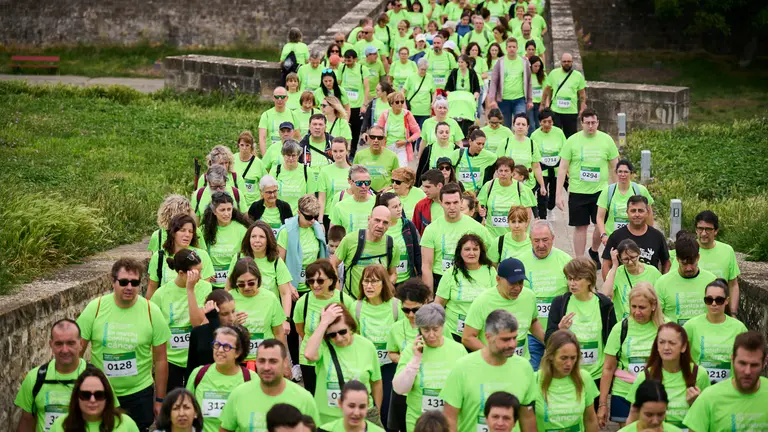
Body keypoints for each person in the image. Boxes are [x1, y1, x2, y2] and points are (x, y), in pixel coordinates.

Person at [77, 258, 170, 431]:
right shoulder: (95, 308)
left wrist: (160, 400)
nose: (129, 287)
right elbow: (77, 354)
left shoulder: (152, 311)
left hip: (139, 394)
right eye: (123, 282)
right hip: (100, 394)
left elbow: (161, 360)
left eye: (134, 283)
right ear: (113, 282)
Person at [440, 310, 537, 432]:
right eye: (505, 339)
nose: (513, 344)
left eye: (514, 338)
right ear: (488, 337)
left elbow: (527, 418)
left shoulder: (524, 368)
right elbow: (450, 418)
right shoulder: (462, 367)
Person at [597, 283, 666, 428]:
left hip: (655, 394)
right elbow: (608, 368)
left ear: (653, 306)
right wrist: (603, 404)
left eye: (642, 307)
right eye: (633, 307)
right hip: (624, 392)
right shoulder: (621, 328)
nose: (636, 312)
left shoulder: (665, 327)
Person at [556, 108, 619, 264]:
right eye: (587, 123)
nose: (591, 126)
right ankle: (579, 260)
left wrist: (617, 190)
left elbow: (615, 166)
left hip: (601, 191)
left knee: (600, 224)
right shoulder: (572, 141)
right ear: (582, 123)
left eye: (593, 123)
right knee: (580, 227)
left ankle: (594, 251)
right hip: (578, 191)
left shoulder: (606, 140)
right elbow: (563, 168)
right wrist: (558, 195)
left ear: (598, 123)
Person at [391, 303, 467, 432]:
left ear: (443, 327)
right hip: (418, 421)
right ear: (420, 329)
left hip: (449, 422)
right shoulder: (411, 350)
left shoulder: (458, 350)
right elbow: (399, 388)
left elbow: (466, 387)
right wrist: (415, 359)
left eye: (435, 329)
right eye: (426, 330)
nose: (431, 335)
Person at [304, 304, 383, 425]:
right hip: (328, 419)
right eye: (332, 334)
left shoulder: (367, 346)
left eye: (342, 332)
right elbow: (309, 354)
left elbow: (376, 382)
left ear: (350, 327)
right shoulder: (323, 346)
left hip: (360, 417)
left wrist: (377, 410)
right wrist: (323, 323)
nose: (339, 338)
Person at [546, 257, 617, 387]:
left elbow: (613, 340)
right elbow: (548, 340)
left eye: (578, 279)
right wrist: (560, 330)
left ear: (589, 280)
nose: (572, 283)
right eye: (569, 278)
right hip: (568, 374)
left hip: (596, 376)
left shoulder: (604, 305)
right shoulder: (559, 303)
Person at [220, 340, 319, 431]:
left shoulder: (304, 399)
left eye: (273, 361)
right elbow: (225, 429)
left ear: (285, 362)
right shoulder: (239, 394)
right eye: (262, 361)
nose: (266, 367)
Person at [625, 323, 710, 428]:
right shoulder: (646, 376)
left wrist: (696, 404)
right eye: (661, 342)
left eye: (672, 343)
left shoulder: (698, 374)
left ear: (683, 347)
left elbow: (709, 417)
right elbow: (633, 417)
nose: (666, 347)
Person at [151, 249, 212, 391]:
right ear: (181, 273)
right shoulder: (161, 294)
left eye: (201, 271)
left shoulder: (205, 288)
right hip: (171, 359)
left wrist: (190, 290)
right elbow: (153, 331)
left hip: (196, 357)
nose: (200, 276)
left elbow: (198, 323)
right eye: (196, 273)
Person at [683, 331, 768, 431]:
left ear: (764, 362)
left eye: (754, 365)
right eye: (742, 363)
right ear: (732, 359)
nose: (747, 371)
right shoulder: (709, 398)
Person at [15, 319, 88, 432]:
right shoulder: (34, 378)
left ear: (81, 344)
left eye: (70, 343)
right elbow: (27, 421)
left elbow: (109, 420)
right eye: (59, 344)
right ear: (51, 345)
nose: (64, 350)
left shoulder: (96, 378)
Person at [463, 257, 544, 359]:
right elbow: (467, 337)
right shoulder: (483, 301)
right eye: (512, 283)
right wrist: (492, 354)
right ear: (498, 279)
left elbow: (533, 321)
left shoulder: (529, 296)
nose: (517, 288)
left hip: (522, 363)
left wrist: (548, 342)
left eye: (520, 282)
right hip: (494, 366)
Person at [352, 264, 403, 425]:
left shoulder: (396, 306)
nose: (369, 285)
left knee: (387, 412)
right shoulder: (357, 306)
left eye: (374, 281)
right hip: (365, 366)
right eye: (365, 281)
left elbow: (403, 338)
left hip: (389, 366)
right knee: (367, 411)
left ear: (384, 283)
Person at [293, 260, 353, 395]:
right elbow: (300, 330)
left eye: (320, 281)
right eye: (311, 281)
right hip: (310, 359)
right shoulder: (303, 302)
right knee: (313, 395)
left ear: (331, 281)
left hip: (339, 356)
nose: (315, 285)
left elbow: (354, 330)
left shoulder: (345, 300)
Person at [421, 183, 493, 291]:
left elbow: (491, 257)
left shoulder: (477, 228)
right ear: (441, 203)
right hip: (440, 279)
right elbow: (427, 266)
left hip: (470, 279)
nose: (452, 207)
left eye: (455, 202)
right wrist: (429, 297)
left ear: (461, 202)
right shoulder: (431, 229)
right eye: (447, 203)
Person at [385, 280, 432, 431]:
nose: (411, 314)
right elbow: (391, 352)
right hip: (404, 387)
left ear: (425, 303)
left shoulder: (435, 328)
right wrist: (408, 361)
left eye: (415, 310)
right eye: (406, 310)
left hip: (427, 386)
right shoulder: (396, 328)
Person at [434, 233, 497, 343]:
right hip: (454, 333)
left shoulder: (490, 271)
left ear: (480, 252)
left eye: (475, 249)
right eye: (467, 249)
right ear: (460, 252)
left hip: (482, 333)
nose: (471, 253)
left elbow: (495, 301)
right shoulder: (450, 273)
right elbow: (438, 304)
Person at [186, 326, 251, 432]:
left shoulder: (250, 378)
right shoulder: (198, 374)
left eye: (226, 347)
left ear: (238, 352)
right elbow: (187, 411)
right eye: (217, 345)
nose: (220, 350)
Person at [684, 279, 748, 384]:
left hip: (729, 388)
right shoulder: (691, 326)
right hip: (699, 387)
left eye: (719, 300)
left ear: (726, 301)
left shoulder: (739, 328)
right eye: (709, 300)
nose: (714, 304)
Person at [534, 330, 600, 431]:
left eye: (573, 358)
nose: (569, 364)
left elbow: (590, 419)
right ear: (551, 356)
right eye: (563, 358)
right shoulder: (535, 380)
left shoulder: (584, 378)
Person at [332, 206, 401, 297]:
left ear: (389, 225)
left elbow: (393, 273)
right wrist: (337, 291)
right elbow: (333, 263)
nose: (380, 226)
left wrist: (387, 286)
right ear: (369, 219)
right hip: (352, 302)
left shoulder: (392, 246)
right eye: (377, 220)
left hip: (377, 304)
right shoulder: (350, 240)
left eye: (385, 222)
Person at [229, 258, 287, 363]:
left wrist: (284, 362)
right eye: (241, 284)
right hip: (238, 362)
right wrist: (232, 325)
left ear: (258, 279)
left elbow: (279, 333)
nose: (246, 287)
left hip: (266, 361)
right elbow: (219, 334)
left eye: (251, 283)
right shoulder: (228, 299)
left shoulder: (270, 298)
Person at [48, 366, 139, 432]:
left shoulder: (126, 424)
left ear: (107, 397)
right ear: (77, 397)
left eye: (99, 395)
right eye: (85, 395)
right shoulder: (60, 425)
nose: (92, 400)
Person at [147, 214, 214, 300]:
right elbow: (152, 287)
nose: (187, 235)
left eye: (190, 231)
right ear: (173, 232)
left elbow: (205, 290)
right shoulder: (159, 256)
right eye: (182, 230)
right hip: (166, 307)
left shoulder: (202, 255)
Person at [685, 210, 741, 314]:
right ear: (696, 230)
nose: (704, 233)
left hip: (721, 311)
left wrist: (733, 312)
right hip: (694, 312)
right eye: (700, 229)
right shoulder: (688, 249)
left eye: (708, 229)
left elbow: (733, 284)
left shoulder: (727, 250)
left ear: (716, 231)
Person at [655, 231, 716, 325]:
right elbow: (657, 315)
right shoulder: (662, 283)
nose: (688, 268)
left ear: (698, 257)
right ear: (677, 259)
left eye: (692, 263)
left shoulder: (711, 281)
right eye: (684, 263)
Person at [601, 196, 670, 279]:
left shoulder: (657, 236)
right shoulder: (616, 236)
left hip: (649, 288)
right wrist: (609, 287)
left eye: (640, 211)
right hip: (624, 287)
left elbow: (666, 263)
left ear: (647, 212)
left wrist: (662, 283)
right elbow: (606, 264)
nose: (637, 214)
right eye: (633, 211)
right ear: (627, 212)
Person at [185, 290, 248, 378]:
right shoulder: (198, 332)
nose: (231, 318)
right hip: (205, 384)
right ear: (213, 313)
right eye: (224, 314)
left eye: (233, 311)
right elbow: (191, 366)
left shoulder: (240, 332)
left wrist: (215, 322)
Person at [278, 194, 329, 295]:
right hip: (292, 288)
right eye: (309, 217)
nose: (312, 220)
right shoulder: (285, 231)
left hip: (314, 287)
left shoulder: (317, 228)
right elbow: (279, 263)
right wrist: (288, 286)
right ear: (298, 213)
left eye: (315, 216)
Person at [602, 239, 663, 321]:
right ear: (620, 259)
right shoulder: (616, 272)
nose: (630, 262)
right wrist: (614, 265)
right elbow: (605, 294)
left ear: (639, 254)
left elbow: (660, 298)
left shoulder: (653, 272)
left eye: (633, 258)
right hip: (624, 323)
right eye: (626, 259)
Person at [199, 192, 250, 289]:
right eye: (222, 210)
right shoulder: (204, 230)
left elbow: (247, 256)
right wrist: (207, 272)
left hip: (235, 283)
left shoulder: (242, 229)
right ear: (214, 211)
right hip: (210, 284)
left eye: (229, 209)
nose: (226, 213)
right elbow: (200, 255)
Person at [477, 157, 536, 238]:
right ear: (497, 172)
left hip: (514, 235)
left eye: (506, 171)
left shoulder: (520, 188)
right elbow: (479, 203)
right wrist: (480, 209)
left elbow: (528, 213)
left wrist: (523, 232)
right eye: (500, 171)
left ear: (512, 172)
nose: (503, 173)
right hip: (492, 234)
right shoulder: (489, 185)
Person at [597, 160, 655, 240]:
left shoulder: (640, 190)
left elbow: (649, 214)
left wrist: (650, 234)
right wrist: (603, 235)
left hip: (636, 237)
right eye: (620, 171)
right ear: (616, 173)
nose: (622, 175)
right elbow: (600, 217)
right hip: (613, 237)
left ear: (631, 173)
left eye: (626, 172)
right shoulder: (608, 191)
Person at [376, 192, 422, 283]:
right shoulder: (378, 228)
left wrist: (420, 276)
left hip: (407, 280)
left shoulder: (408, 225)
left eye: (400, 205)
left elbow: (417, 253)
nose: (399, 209)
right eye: (394, 207)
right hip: (385, 282)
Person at [487, 37, 532, 128]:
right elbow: (494, 82)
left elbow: (529, 82)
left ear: (517, 48)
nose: (512, 49)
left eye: (514, 47)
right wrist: (492, 100)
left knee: (520, 123)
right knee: (505, 126)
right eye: (510, 47)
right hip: (504, 100)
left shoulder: (524, 62)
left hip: (520, 99)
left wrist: (530, 100)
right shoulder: (500, 62)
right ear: (506, 48)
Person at [531, 108, 566, 221]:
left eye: (549, 122)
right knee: (542, 194)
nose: (547, 124)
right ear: (540, 122)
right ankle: (543, 218)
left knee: (554, 193)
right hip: (542, 170)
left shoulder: (559, 133)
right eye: (544, 121)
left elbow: (565, 150)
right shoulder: (534, 135)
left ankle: (550, 209)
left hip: (556, 170)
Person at [541, 53, 587, 138]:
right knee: (555, 135)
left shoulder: (578, 76)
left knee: (571, 137)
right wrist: (542, 104)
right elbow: (546, 90)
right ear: (561, 62)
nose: (566, 63)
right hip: (556, 111)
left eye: (569, 61)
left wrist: (582, 106)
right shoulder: (553, 74)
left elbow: (582, 93)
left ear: (572, 62)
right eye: (564, 61)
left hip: (571, 111)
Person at [319, 381, 386, 432]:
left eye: (362, 407)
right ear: (340, 403)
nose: (356, 413)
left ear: (368, 405)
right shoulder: (325, 430)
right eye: (351, 406)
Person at [338, 50, 370, 157]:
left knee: (355, 131)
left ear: (355, 59)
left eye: (350, 60)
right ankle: (343, 151)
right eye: (346, 60)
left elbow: (366, 88)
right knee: (343, 129)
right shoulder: (342, 68)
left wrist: (364, 104)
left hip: (357, 106)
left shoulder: (362, 69)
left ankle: (352, 153)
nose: (347, 63)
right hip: (344, 105)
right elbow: (338, 85)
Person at [376, 92, 421, 167]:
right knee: (388, 171)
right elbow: (377, 131)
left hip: (402, 148)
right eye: (397, 102)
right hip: (387, 147)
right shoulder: (385, 114)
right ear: (391, 104)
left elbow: (417, 132)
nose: (400, 104)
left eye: (402, 101)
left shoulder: (407, 114)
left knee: (401, 171)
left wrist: (406, 141)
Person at [329, 165, 377, 234]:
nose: (363, 186)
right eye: (359, 183)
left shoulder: (377, 202)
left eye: (367, 183)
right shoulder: (340, 206)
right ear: (350, 181)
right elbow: (334, 235)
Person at [450, 128, 498, 193]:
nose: (481, 147)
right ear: (470, 141)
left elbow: (499, 162)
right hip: (459, 192)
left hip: (476, 194)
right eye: (478, 143)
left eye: (483, 144)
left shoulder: (489, 156)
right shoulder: (457, 153)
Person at [317, 138, 351, 228]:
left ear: (347, 151)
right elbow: (322, 198)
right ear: (331, 152)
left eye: (341, 151)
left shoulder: (354, 171)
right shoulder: (324, 171)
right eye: (335, 151)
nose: (338, 154)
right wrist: (320, 221)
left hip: (348, 215)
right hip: (329, 216)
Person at [355, 125, 402, 189]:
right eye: (373, 137)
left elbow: (398, 180)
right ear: (368, 138)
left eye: (379, 138)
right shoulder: (359, 155)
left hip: (385, 195)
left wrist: (390, 188)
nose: (376, 140)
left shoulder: (393, 156)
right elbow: (354, 177)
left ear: (384, 139)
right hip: (364, 194)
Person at [403, 58, 436, 150]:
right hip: (413, 109)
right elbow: (403, 91)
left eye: (425, 69)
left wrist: (433, 102)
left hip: (425, 110)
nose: (423, 71)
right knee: (412, 131)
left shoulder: (429, 77)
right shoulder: (411, 77)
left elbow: (434, 92)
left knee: (422, 132)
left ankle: (419, 150)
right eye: (422, 69)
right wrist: (404, 104)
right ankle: (410, 149)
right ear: (418, 68)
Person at [445, 54, 482, 134]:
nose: (460, 64)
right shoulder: (454, 72)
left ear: (467, 63)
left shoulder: (472, 73)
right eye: (459, 62)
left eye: (462, 62)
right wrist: (450, 95)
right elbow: (447, 88)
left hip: (468, 101)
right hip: (456, 100)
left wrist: (475, 95)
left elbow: (477, 88)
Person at [270, 140, 310, 213]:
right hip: (279, 215)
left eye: (293, 155)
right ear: (283, 155)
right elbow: (269, 196)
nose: (291, 158)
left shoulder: (307, 171)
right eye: (288, 155)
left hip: (300, 216)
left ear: (298, 155)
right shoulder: (275, 171)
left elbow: (310, 198)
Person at [260, 87, 301, 157]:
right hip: (272, 153)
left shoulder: (293, 114)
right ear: (273, 98)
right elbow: (262, 138)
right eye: (277, 97)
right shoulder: (266, 115)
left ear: (287, 98)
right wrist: (265, 157)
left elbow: (297, 137)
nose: (279, 99)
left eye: (282, 97)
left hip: (289, 153)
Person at [298, 114, 335, 187]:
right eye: (314, 124)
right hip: (308, 182)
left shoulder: (333, 143)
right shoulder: (301, 145)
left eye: (320, 124)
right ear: (309, 126)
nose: (317, 127)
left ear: (325, 127)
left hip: (328, 182)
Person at [233, 131, 266, 209]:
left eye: (247, 145)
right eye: (242, 145)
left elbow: (265, 184)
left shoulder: (259, 163)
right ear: (238, 145)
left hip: (253, 205)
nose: (244, 148)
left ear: (251, 146)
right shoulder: (232, 160)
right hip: (235, 203)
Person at [412, 169, 445, 235]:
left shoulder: (455, 204)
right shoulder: (420, 205)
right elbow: (415, 232)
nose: (424, 190)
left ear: (439, 186)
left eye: (428, 187)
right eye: (423, 187)